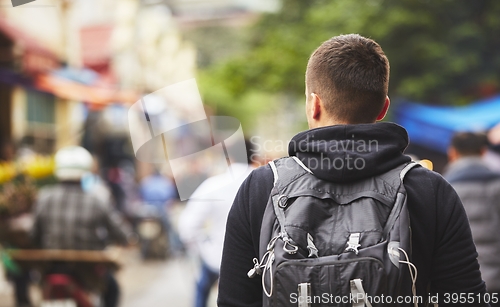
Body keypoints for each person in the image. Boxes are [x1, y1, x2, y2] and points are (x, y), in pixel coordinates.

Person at [218, 34, 488, 306]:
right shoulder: (429, 189)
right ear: (383, 108)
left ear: (314, 105)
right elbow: (466, 297)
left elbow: (234, 300)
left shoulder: (262, 187)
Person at [32, 146, 131, 307]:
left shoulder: (44, 198)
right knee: (112, 290)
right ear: (86, 171)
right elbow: (121, 232)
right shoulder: (97, 200)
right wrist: (127, 239)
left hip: (50, 269)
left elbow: (33, 235)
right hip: (88, 273)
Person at [178, 140, 259, 307]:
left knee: (201, 288)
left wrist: (203, 249)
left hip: (218, 259)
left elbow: (187, 226)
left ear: (229, 158)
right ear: (255, 157)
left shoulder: (213, 185)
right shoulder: (270, 184)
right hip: (261, 262)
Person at [444, 132, 500, 305]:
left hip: (460, 285)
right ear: (483, 152)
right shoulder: (497, 184)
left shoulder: (443, 188)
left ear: (452, 153)